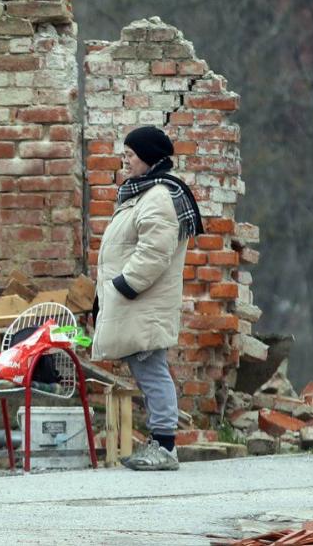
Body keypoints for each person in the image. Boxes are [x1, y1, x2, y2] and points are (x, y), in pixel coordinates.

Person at [91, 125, 203, 472]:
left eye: (131, 155)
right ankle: (159, 442)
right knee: (148, 370)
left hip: (142, 301)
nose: (126, 161)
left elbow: (154, 252)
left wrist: (124, 286)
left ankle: (166, 447)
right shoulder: (144, 192)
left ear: (148, 158)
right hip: (137, 302)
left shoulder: (159, 196)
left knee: (152, 371)